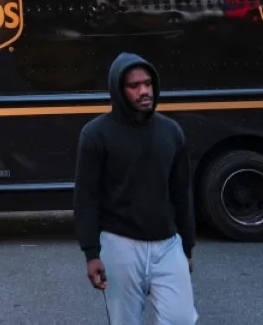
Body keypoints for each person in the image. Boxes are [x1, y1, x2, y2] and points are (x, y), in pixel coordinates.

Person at [74, 53, 197, 324]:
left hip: (168, 245)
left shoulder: (171, 132)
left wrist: (187, 247)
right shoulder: (95, 134)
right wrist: (91, 253)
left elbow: (181, 193)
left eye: (148, 83)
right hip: (120, 245)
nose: (144, 91)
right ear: (119, 90)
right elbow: (86, 198)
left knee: (182, 319)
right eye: (134, 86)